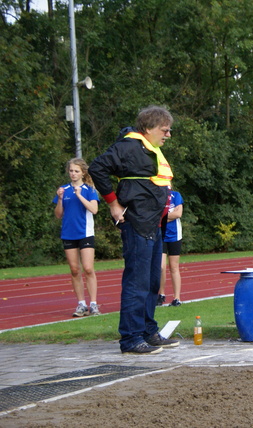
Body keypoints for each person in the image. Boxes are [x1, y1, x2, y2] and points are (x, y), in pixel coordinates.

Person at [89, 105, 180, 354]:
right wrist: (113, 204)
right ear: (149, 128)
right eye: (165, 130)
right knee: (137, 282)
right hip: (137, 222)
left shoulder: (151, 150)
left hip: (154, 223)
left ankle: (148, 331)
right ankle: (130, 338)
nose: (168, 135)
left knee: (152, 282)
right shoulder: (128, 146)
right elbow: (97, 168)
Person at [53, 158, 100, 317]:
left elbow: (94, 210)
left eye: (76, 171)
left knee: (88, 268)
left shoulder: (89, 189)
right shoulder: (63, 189)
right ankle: (81, 304)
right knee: (74, 270)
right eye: (71, 171)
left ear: (83, 172)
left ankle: (93, 304)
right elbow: (58, 215)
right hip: (68, 233)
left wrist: (79, 195)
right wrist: (59, 199)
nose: (73, 174)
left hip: (85, 233)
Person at [157, 190, 184, 306]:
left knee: (174, 267)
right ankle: (161, 294)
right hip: (161, 235)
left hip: (175, 235)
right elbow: (153, 215)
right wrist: (169, 216)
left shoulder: (176, 195)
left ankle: (177, 298)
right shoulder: (157, 194)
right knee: (161, 266)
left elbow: (178, 214)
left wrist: (162, 218)